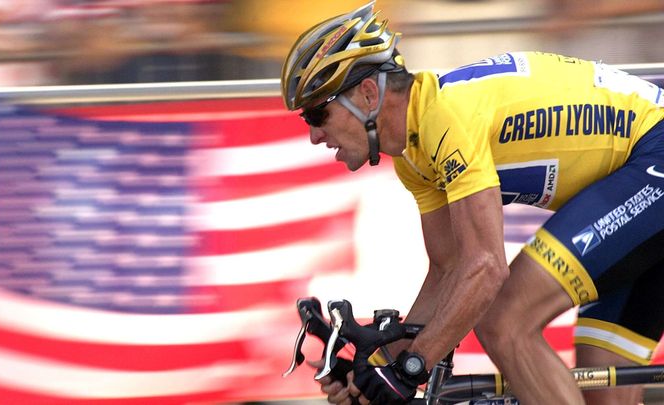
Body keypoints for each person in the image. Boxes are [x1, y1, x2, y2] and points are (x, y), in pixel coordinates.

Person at [280, 1, 664, 404]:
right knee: (606, 395)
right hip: (640, 180)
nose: (313, 136)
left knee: (506, 319)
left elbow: (485, 268)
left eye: (317, 115)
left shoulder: (444, 116)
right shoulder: (413, 154)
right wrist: (374, 370)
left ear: (368, 92)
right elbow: (449, 271)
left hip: (652, 154)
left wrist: (411, 367)